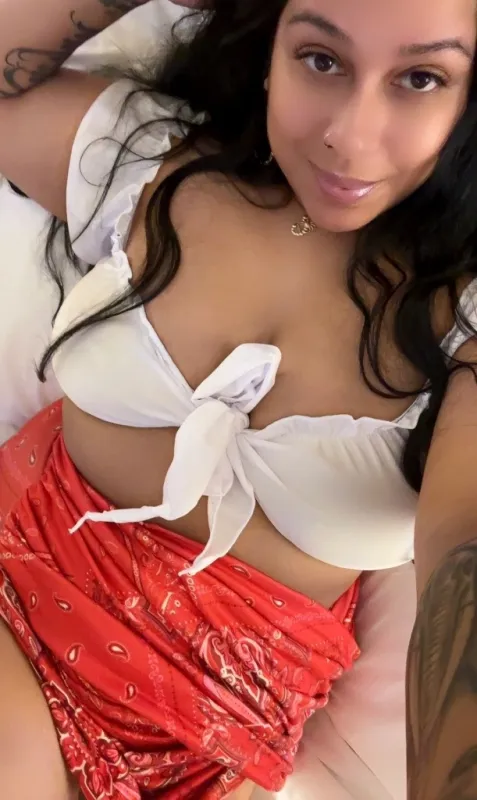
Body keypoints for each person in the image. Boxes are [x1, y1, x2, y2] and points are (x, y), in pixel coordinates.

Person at [0, 0, 477, 798]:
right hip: (20, 606)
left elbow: (464, 553)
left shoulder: (462, 323)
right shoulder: (148, 161)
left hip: (217, 752)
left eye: (420, 78)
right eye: (320, 59)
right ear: (270, 52)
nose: (349, 136)